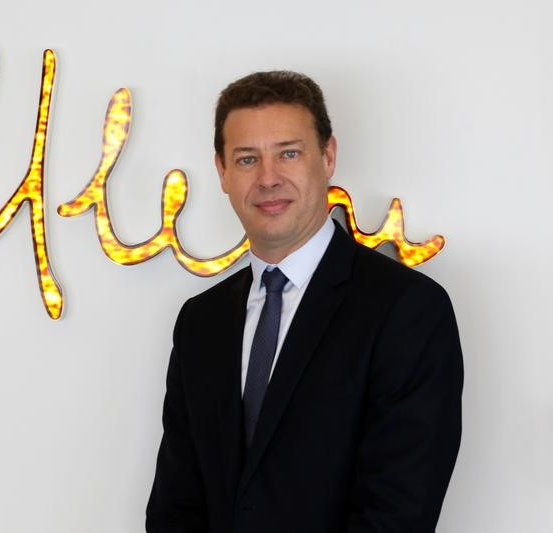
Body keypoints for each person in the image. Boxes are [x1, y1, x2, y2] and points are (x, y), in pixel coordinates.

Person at [146, 71, 463, 533]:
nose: (268, 179)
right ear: (222, 172)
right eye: (247, 159)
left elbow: (398, 512)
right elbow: (176, 503)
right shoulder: (200, 322)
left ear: (328, 156)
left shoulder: (408, 310)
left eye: (289, 154)